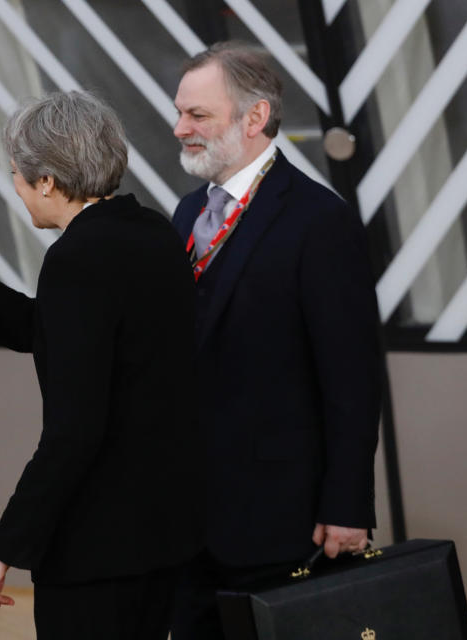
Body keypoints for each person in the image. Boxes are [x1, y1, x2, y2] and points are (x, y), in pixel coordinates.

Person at [0, 90, 203, 639]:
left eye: (19, 178)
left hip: (98, 546)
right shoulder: (152, 232)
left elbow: (74, 432)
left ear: (47, 180)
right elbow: (72, 336)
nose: (19, 191)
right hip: (164, 532)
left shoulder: (76, 258)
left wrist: (3, 546)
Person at [167, 42, 382, 637]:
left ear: (255, 118)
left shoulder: (320, 221)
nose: (180, 128)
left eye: (198, 115)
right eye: (180, 112)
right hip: (191, 526)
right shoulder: (186, 215)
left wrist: (347, 506)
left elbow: (352, 380)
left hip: (285, 525)